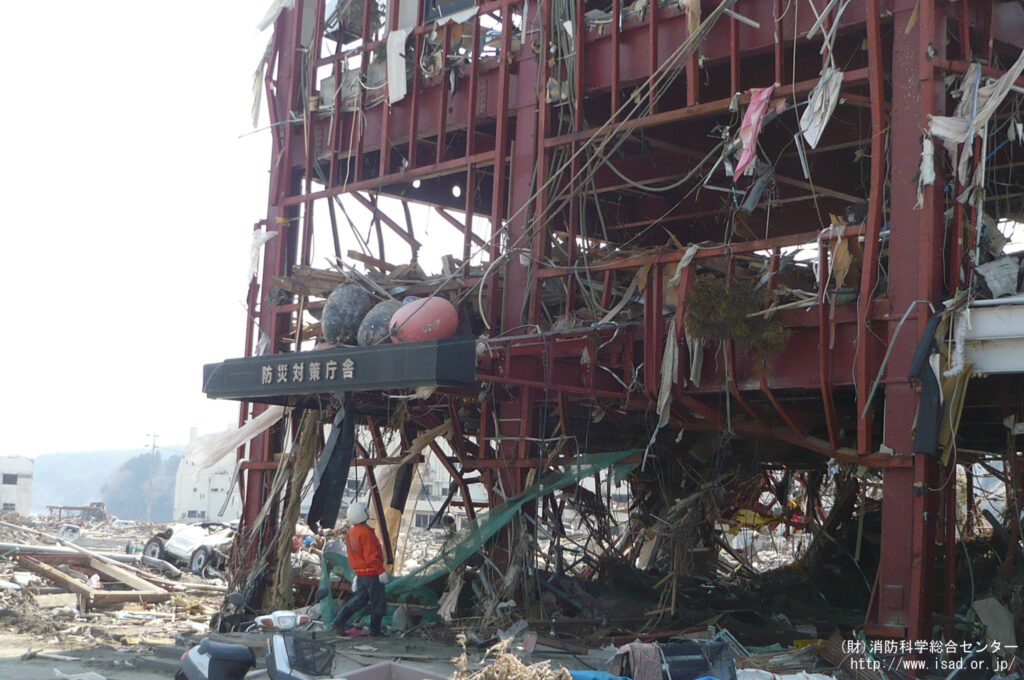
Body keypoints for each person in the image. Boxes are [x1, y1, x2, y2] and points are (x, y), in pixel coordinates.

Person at [331, 502, 389, 636]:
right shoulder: (366, 534)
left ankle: (339, 621)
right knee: (378, 601)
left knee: (361, 599)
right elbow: (371, 556)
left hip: (361, 574)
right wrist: (380, 571)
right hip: (372, 573)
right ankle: (375, 630)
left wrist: (357, 574)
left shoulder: (351, 534)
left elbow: (354, 555)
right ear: (363, 514)